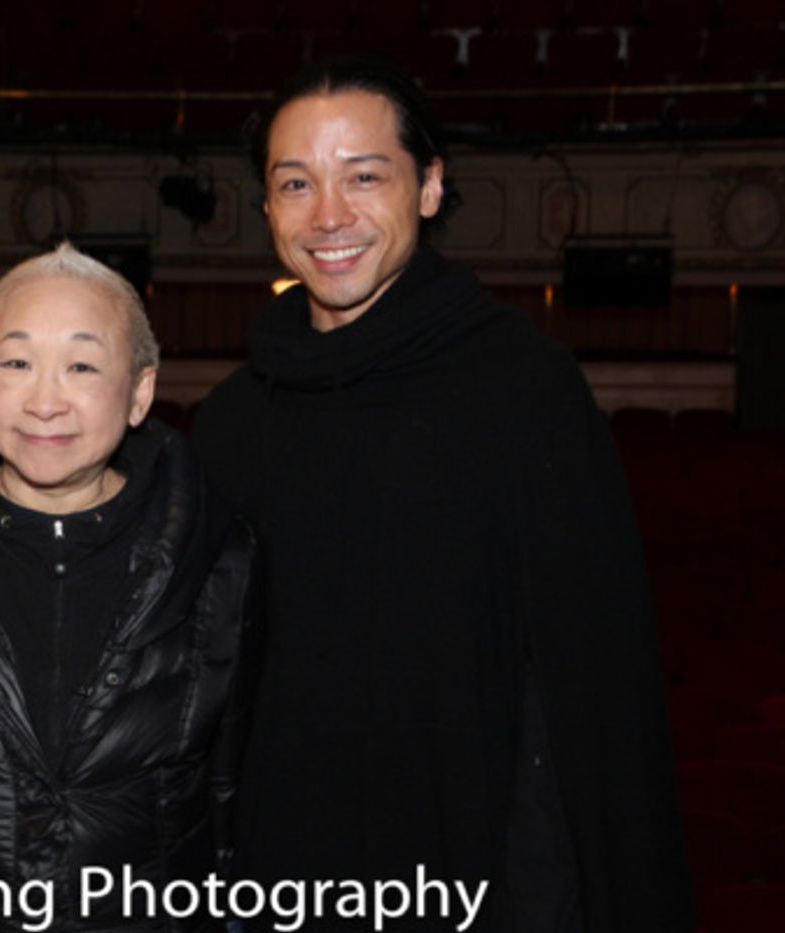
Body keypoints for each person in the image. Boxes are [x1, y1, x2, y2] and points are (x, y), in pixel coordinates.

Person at [191, 57, 693, 932]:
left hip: (481, 887)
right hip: (279, 887)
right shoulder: (234, 421)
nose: (329, 215)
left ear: (429, 186)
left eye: (364, 176)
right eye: (296, 183)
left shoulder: (524, 390)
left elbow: (588, 693)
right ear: (266, 207)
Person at [0, 243, 256, 932]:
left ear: (141, 390)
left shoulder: (214, 555)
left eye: (83, 365)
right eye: (17, 362)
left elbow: (232, 791)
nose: (46, 399)